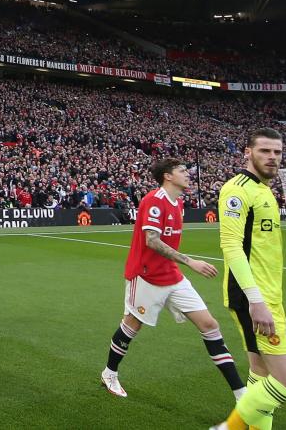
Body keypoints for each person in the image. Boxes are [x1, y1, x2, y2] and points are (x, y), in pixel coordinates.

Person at [99, 158, 245, 401]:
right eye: (182, 171)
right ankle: (109, 373)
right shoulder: (154, 201)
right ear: (168, 176)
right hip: (145, 275)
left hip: (172, 276)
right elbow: (152, 240)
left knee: (209, 325)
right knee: (132, 325)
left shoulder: (179, 203)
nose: (187, 174)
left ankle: (241, 394)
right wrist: (190, 262)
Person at [211, 129, 286, 430]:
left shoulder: (265, 190)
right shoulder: (237, 189)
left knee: (260, 374)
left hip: (268, 296)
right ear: (247, 152)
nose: (272, 157)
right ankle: (230, 427)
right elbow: (232, 247)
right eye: (265, 151)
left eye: (277, 152)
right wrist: (257, 301)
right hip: (253, 299)